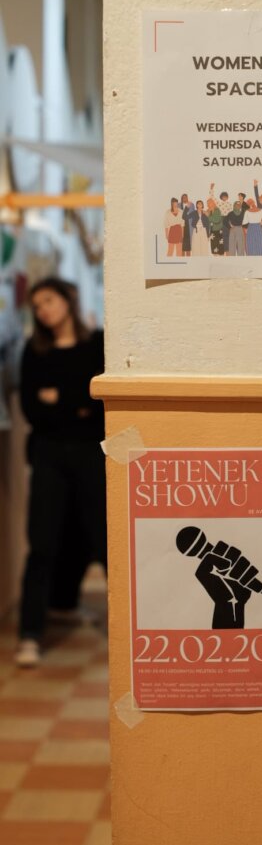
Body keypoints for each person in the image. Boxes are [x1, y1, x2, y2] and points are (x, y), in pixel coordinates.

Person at [16, 278, 106, 667]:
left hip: (91, 454)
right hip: (48, 455)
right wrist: (77, 403)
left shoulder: (97, 343)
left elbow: (99, 403)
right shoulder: (35, 350)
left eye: (49, 300)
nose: (43, 310)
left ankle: (131, 632)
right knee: (42, 542)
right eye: (37, 306)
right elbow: (32, 409)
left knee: (104, 539)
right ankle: (30, 635)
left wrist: (60, 398)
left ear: (68, 300)